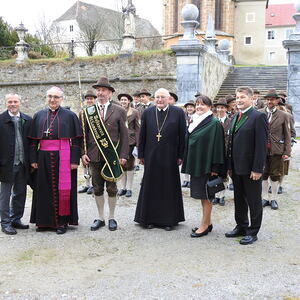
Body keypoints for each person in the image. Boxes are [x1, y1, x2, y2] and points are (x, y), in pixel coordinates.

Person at [28, 87, 82, 234]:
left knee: (63, 190)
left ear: (61, 99)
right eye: (50, 96)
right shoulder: (39, 115)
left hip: (63, 158)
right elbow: (33, 141)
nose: (52, 100)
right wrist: (33, 159)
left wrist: (74, 160)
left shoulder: (70, 115)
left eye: (56, 97)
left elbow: (77, 140)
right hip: (43, 157)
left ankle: (62, 222)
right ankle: (44, 222)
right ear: (46, 98)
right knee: (43, 189)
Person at [134, 88, 186, 231]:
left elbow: (183, 136)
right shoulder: (148, 113)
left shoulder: (178, 113)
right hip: (151, 156)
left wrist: (181, 155)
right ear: (154, 99)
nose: (159, 100)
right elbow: (142, 135)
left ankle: (168, 220)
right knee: (151, 186)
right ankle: (148, 219)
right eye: (157, 97)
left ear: (169, 98)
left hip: (170, 156)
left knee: (168, 187)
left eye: (163, 97)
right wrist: (141, 154)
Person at [81, 77, 129, 231]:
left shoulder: (119, 111)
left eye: (103, 90)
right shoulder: (88, 112)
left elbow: (125, 135)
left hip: (112, 156)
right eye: (98, 90)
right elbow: (83, 135)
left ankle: (112, 217)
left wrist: (124, 155)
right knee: (96, 187)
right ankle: (100, 217)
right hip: (94, 156)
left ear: (110, 93)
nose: (100, 93)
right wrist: (83, 153)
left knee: (112, 187)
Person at [225, 86, 268, 245]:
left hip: (251, 169)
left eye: (242, 97)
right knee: (239, 199)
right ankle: (241, 226)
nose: (239, 100)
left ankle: (253, 231)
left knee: (254, 201)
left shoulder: (258, 117)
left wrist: (257, 168)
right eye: (237, 98)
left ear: (251, 99)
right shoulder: (236, 116)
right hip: (236, 167)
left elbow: (261, 145)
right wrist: (229, 165)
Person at [182, 95, 226, 238]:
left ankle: (204, 225)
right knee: (202, 195)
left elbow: (218, 146)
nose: (199, 107)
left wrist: (215, 168)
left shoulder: (214, 123)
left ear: (209, 106)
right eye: (197, 104)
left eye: (203, 104)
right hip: (197, 164)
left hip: (207, 165)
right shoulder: (194, 120)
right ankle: (209, 222)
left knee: (207, 195)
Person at [0, 94, 32, 235]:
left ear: (20, 102)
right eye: (10, 102)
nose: (12, 104)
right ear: (6, 103)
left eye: (15, 101)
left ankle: (16, 219)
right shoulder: (0, 120)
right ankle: (5, 223)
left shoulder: (27, 119)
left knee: (20, 193)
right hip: (6, 164)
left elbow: (32, 143)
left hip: (23, 163)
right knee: (5, 196)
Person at [259, 89, 291, 210]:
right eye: (267, 99)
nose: (269, 101)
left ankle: (274, 199)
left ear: (277, 101)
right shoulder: (259, 113)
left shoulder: (284, 115)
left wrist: (287, 152)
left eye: (271, 99)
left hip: (277, 150)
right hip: (261, 150)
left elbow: (287, 135)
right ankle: (265, 198)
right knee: (263, 175)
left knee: (275, 176)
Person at [117, 93, 140, 198]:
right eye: (121, 100)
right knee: (120, 165)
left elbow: (137, 128)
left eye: (125, 100)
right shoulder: (116, 111)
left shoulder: (135, 112)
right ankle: (123, 187)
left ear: (129, 101)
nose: (123, 102)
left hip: (130, 141)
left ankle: (129, 188)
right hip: (118, 141)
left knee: (130, 166)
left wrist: (138, 143)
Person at [212, 98, 232, 206]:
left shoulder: (231, 121)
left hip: (225, 153)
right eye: (218, 107)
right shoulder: (212, 120)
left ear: (226, 109)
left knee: (224, 175)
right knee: (214, 174)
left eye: (222, 107)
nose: (220, 109)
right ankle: (215, 195)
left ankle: (222, 196)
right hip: (214, 153)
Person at [78, 90, 97, 195]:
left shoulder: (96, 111)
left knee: (93, 164)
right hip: (85, 140)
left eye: (91, 99)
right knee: (85, 164)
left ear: (95, 100)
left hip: (94, 142)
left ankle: (94, 184)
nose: (89, 100)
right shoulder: (82, 112)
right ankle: (87, 184)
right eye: (87, 99)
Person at [181, 100, 196, 188]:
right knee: (184, 160)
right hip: (184, 140)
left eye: (191, 107)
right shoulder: (183, 117)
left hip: (192, 141)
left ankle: (191, 179)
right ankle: (185, 179)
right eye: (188, 107)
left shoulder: (196, 117)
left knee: (191, 160)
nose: (189, 108)